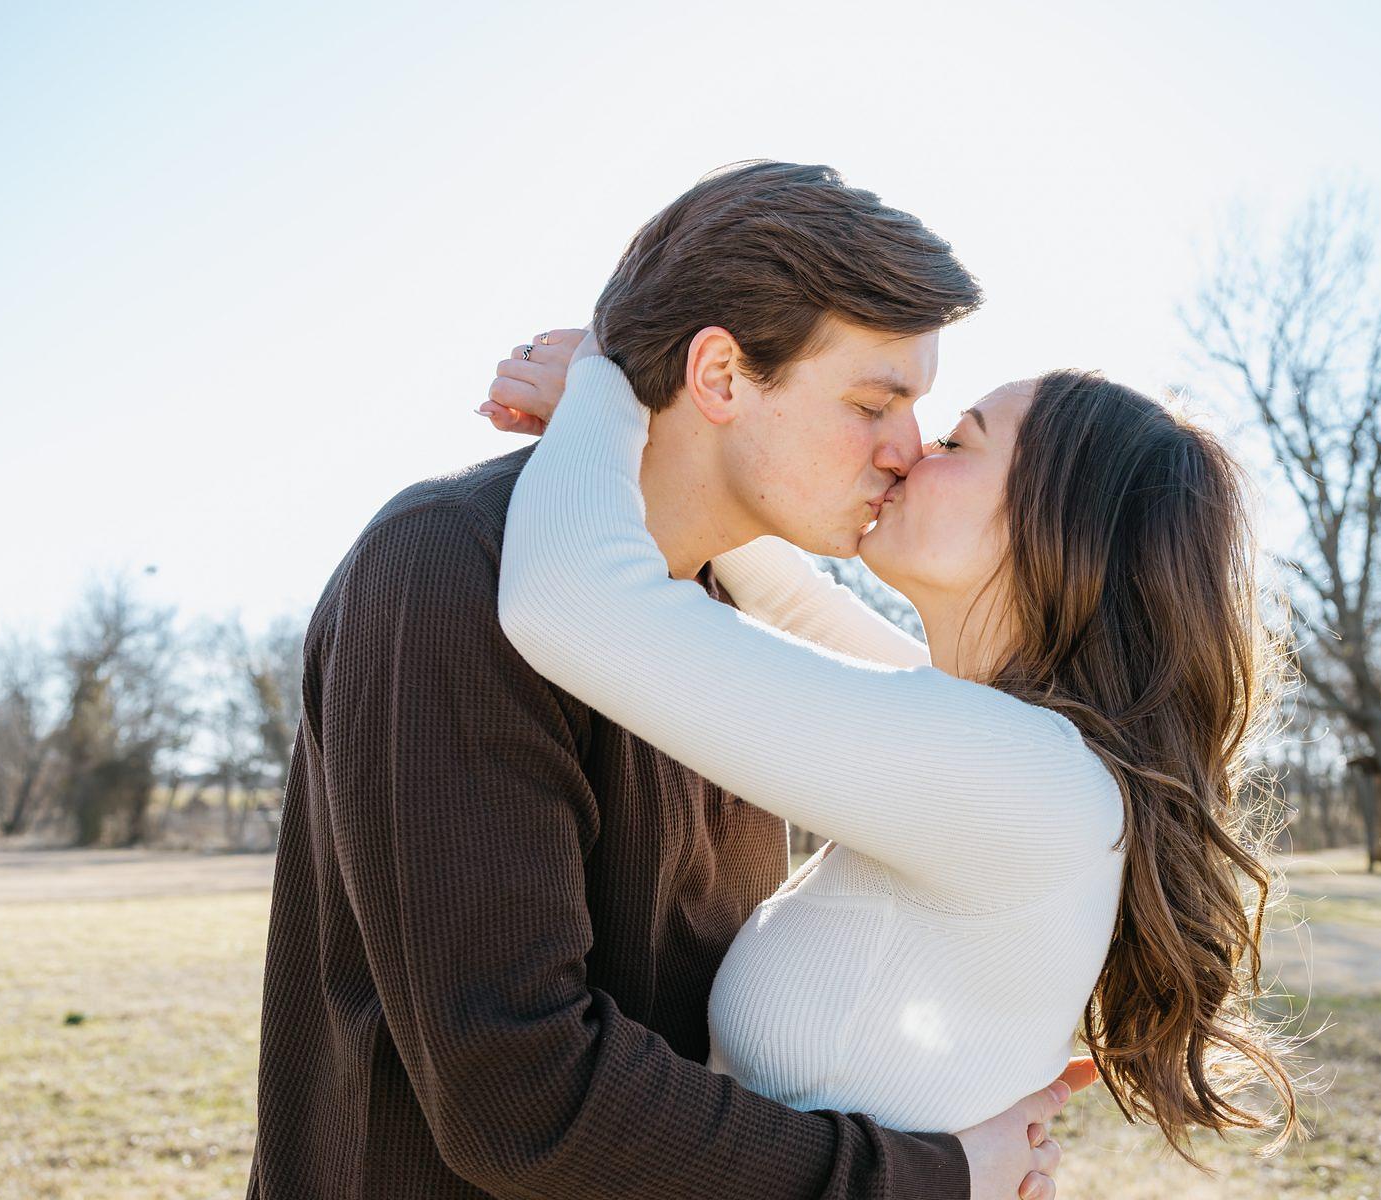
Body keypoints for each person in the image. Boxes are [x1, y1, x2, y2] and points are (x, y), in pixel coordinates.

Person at [246, 162, 1086, 1200]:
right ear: (720, 376)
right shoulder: (450, 569)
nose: (904, 452)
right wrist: (923, 1179)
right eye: (875, 403)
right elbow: (524, 1097)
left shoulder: (714, 633)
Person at [486, 315, 1300, 1172]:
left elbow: (569, 602)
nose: (910, 453)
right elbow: (793, 609)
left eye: (956, 442)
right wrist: (667, 430)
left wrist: (604, 388)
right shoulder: (1011, 747)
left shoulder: (1016, 778)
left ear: (1054, 527)